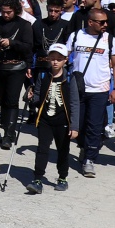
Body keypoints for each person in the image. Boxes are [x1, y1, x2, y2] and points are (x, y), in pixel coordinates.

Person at [67, 6, 115, 178]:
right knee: (79, 124)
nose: (105, 25)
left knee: (94, 125)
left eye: (106, 21)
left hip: (100, 89)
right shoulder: (76, 36)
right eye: (101, 22)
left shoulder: (109, 40)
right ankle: (84, 147)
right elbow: (64, 56)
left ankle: (90, 159)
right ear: (90, 22)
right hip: (78, 88)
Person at [25, 44, 77, 193]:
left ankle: (62, 177)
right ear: (48, 59)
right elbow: (37, 97)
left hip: (63, 121)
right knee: (42, 149)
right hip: (45, 120)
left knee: (62, 150)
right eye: (52, 59)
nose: (55, 62)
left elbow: (74, 103)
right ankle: (37, 179)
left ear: (65, 60)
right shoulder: (43, 75)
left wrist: (75, 126)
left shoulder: (69, 78)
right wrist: (30, 97)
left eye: (59, 59)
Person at [0, 0, 34, 150]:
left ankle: (8, 134)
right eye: (3, 12)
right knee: (1, 99)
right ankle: (8, 127)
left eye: (9, 12)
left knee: (12, 100)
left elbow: (28, 47)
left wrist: (12, 43)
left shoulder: (25, 25)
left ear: (16, 10)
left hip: (17, 67)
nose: (6, 15)